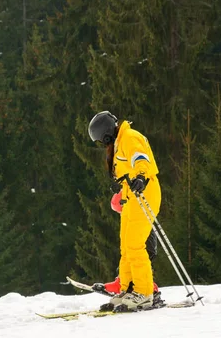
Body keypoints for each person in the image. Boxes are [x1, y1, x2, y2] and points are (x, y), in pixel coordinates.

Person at [88, 110, 162, 311]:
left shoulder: (130, 137)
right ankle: (128, 289)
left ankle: (144, 293)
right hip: (130, 196)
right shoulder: (120, 143)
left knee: (136, 245)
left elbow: (141, 159)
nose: (103, 144)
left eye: (101, 140)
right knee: (127, 246)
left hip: (145, 192)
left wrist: (141, 177)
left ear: (105, 133)